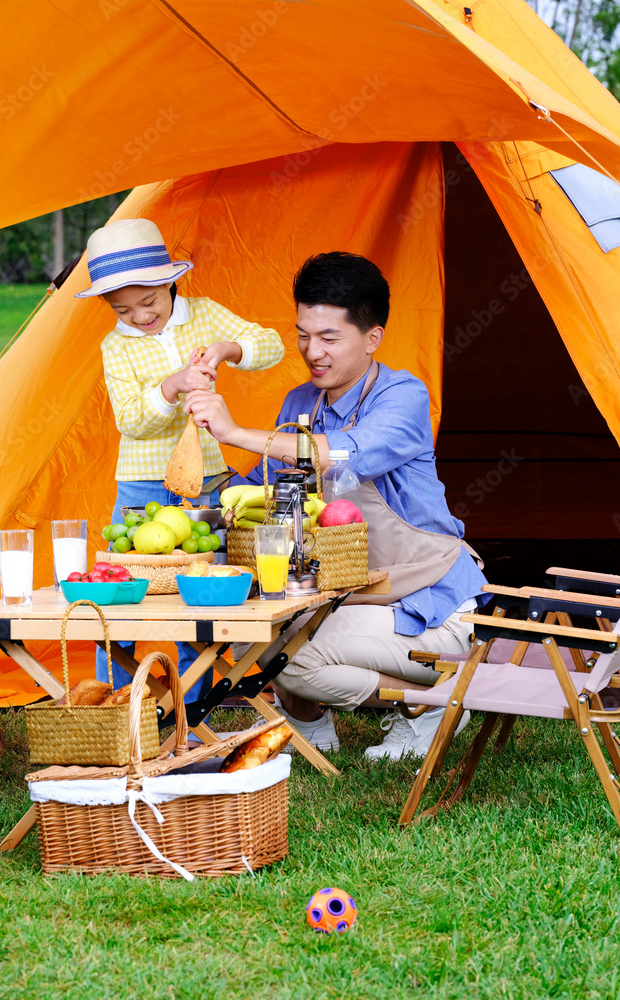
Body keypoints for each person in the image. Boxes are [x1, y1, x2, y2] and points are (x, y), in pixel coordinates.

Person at [185, 251, 490, 757]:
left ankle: (433, 704)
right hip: (351, 597)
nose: (312, 351)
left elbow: (343, 453)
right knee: (248, 638)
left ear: (372, 338)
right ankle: (309, 719)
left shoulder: (403, 397)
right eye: (304, 334)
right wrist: (201, 455)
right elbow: (270, 492)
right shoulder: (299, 404)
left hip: (432, 606)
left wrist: (235, 430)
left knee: (291, 658)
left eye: (329, 338)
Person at [75, 218, 285, 698]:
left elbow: (270, 345)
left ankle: (192, 704)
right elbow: (130, 421)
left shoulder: (205, 314)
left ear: (170, 281)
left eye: (148, 302)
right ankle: (110, 700)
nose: (140, 316)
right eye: (123, 309)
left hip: (205, 478)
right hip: (142, 485)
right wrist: (170, 387)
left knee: (199, 591)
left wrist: (229, 348)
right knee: (121, 593)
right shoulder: (116, 347)